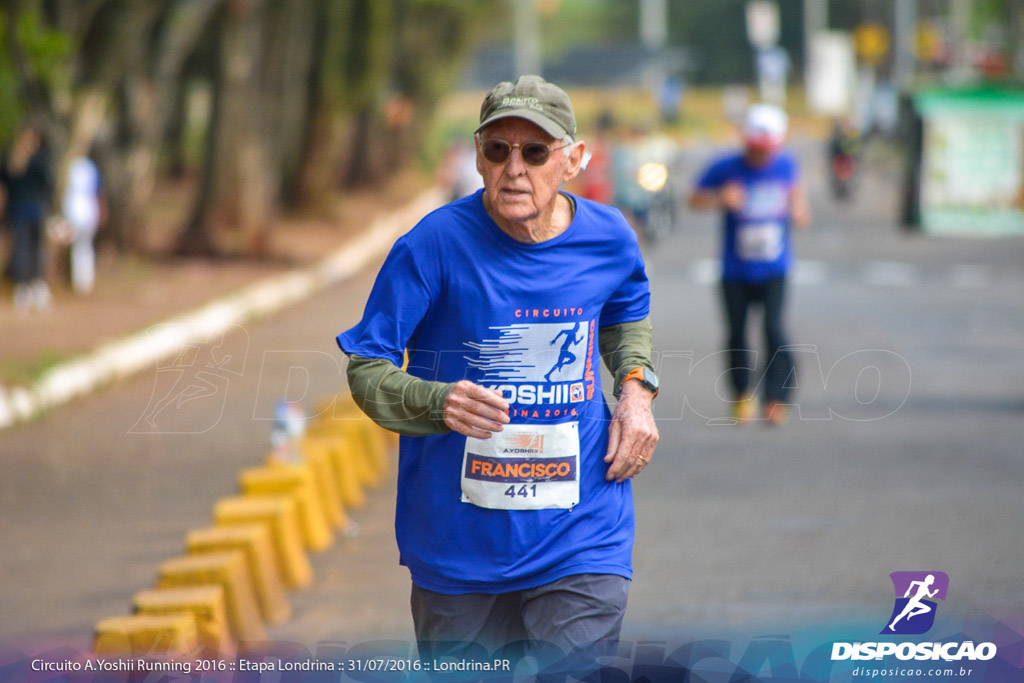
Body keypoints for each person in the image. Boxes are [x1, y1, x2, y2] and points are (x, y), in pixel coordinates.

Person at [336, 75, 660, 673]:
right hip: (458, 550)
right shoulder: (433, 244)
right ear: (477, 157)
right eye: (497, 150)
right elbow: (368, 366)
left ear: (572, 160)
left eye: (535, 152)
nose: (515, 169)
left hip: (582, 534)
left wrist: (636, 389)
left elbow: (625, 313)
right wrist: (436, 402)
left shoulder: (609, 237)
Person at [688, 104, 810, 426]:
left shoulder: (785, 166)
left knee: (774, 329)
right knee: (737, 334)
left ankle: (776, 398)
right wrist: (719, 199)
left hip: (774, 268)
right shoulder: (727, 167)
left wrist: (798, 211)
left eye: (767, 149)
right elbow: (694, 198)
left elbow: (799, 201)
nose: (760, 155)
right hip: (734, 270)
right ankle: (742, 395)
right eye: (755, 148)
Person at [1, 124, 54, 311]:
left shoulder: (13, 160)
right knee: (30, 249)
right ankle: (29, 287)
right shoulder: (34, 161)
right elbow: (49, 183)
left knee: (27, 249)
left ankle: (29, 287)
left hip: (21, 211)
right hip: (31, 211)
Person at [61, 154, 105, 294]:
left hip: (74, 212)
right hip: (88, 212)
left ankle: (80, 281)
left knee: (79, 247)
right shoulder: (90, 167)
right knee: (85, 246)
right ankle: (85, 280)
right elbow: (99, 190)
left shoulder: (70, 166)